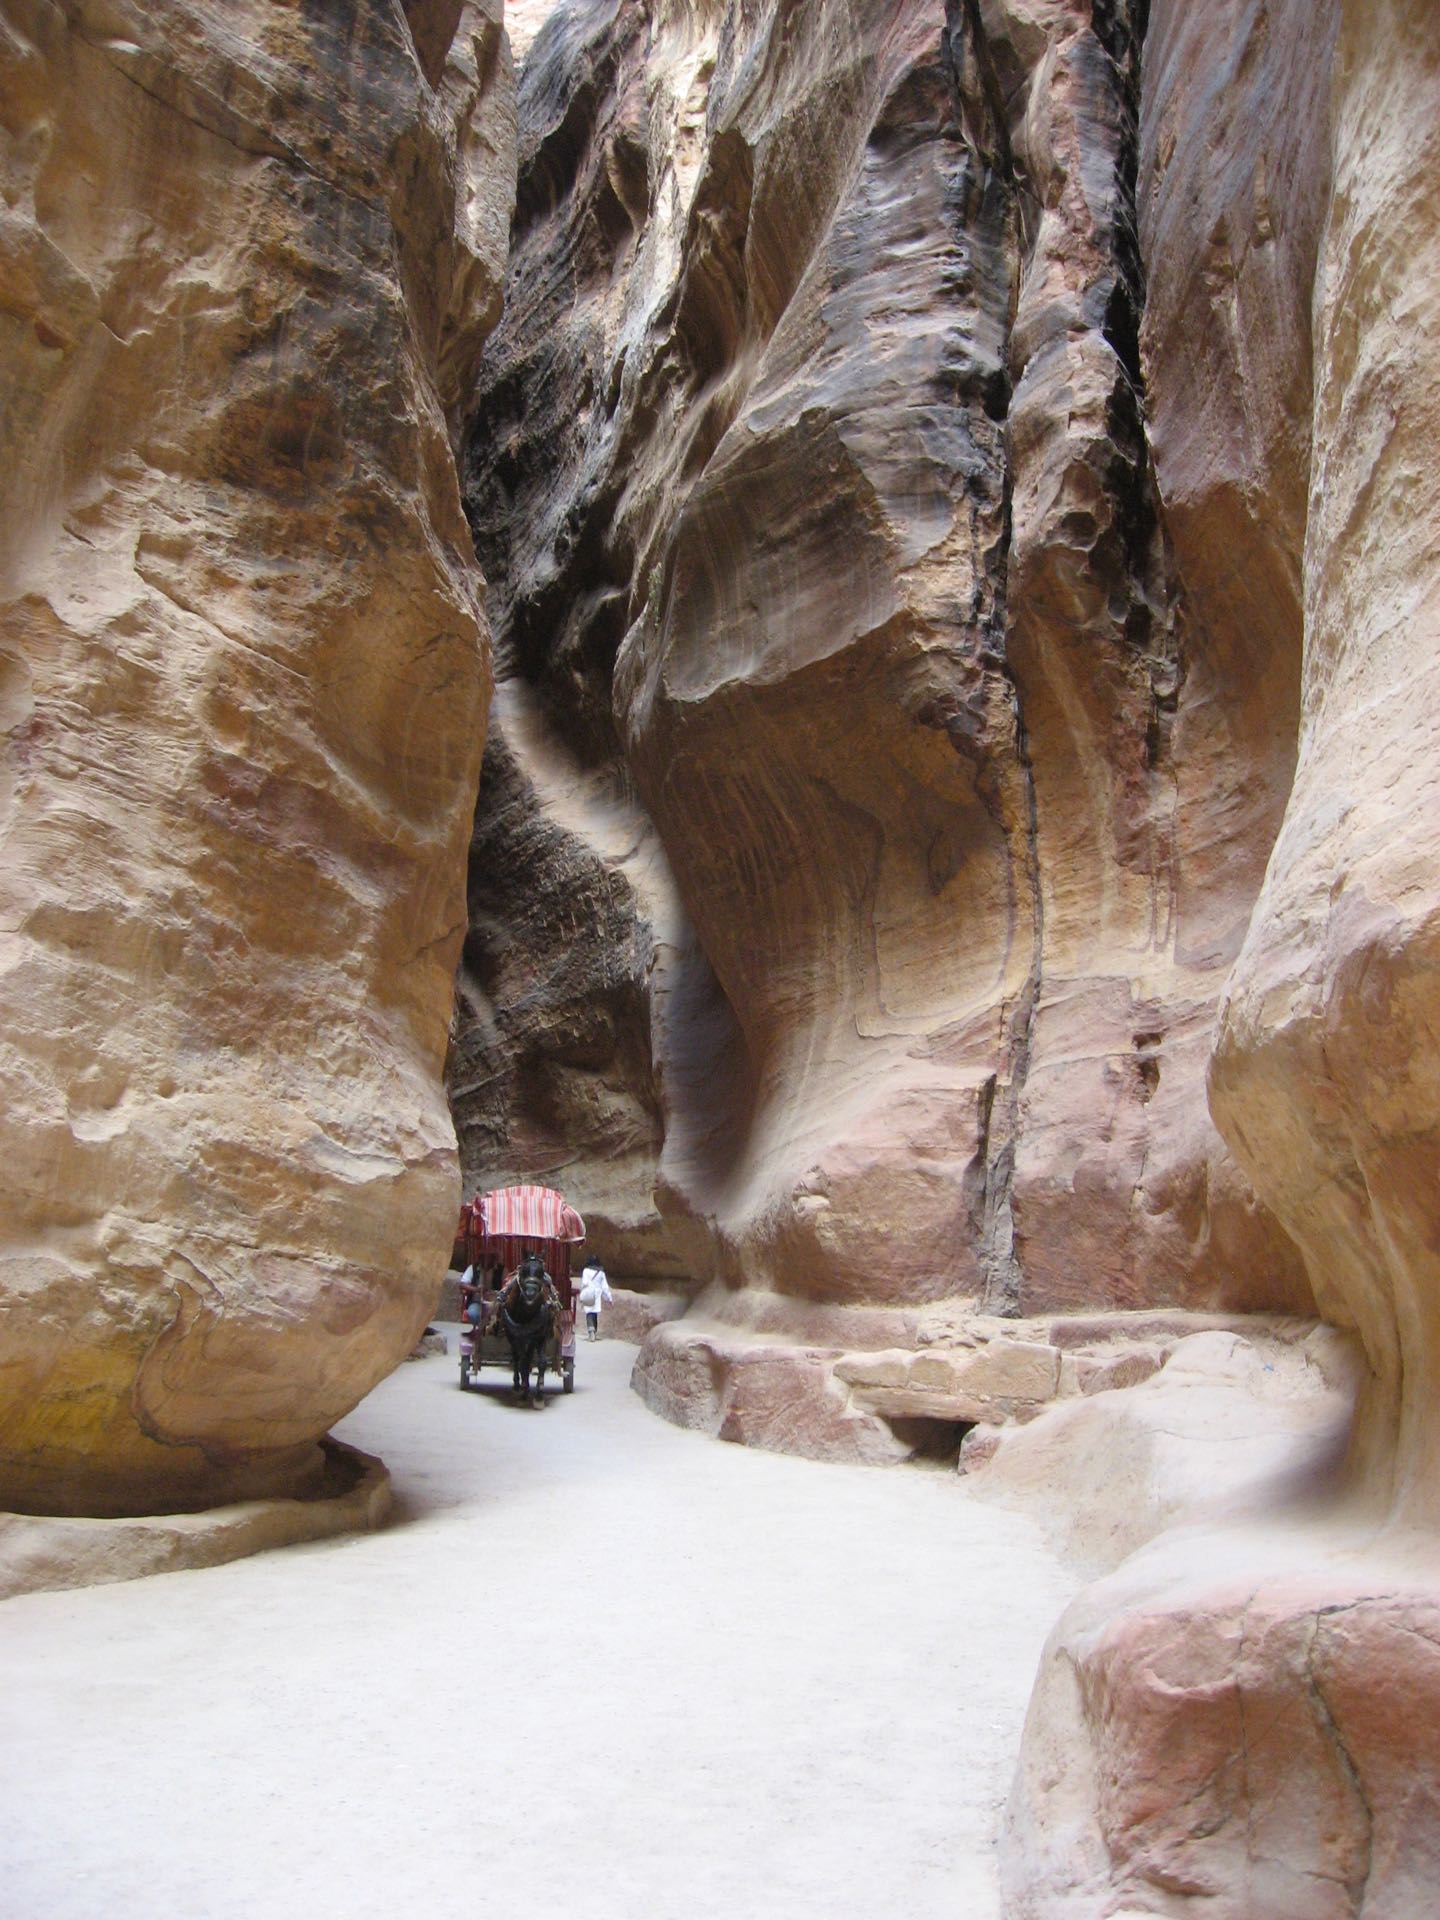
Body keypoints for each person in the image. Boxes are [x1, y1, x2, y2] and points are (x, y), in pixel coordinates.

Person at [577, 1258, 613, 1340]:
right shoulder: (601, 1272)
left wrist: (582, 1292)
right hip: (597, 1293)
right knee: (594, 1313)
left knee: (589, 1312)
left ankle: (591, 1330)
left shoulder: (586, 1271)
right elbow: (605, 1287)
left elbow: (584, 1283)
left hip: (588, 1292)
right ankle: (594, 1330)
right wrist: (609, 1298)